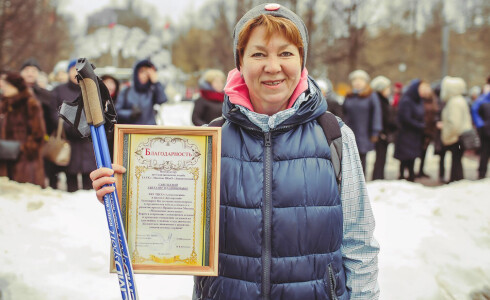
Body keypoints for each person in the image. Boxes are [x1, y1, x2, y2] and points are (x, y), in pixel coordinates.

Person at [91, 3, 379, 299]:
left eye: (286, 53)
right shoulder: (207, 142)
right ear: (239, 62)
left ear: (302, 60)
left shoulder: (334, 135)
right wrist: (124, 195)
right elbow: (167, 223)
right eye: (258, 53)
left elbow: (359, 244)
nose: (272, 66)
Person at [52, 59, 96, 192]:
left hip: (87, 140)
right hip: (69, 139)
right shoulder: (58, 90)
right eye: (73, 70)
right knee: (70, 176)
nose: (76, 73)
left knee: (89, 177)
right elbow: (53, 112)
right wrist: (67, 127)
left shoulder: (91, 89)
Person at [0, 72, 46, 187]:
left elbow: (38, 135)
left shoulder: (30, 103)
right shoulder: (4, 104)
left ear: (15, 86)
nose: (3, 87)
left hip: (26, 165)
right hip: (5, 162)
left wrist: (22, 150)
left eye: (6, 84)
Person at [19, 58, 57, 188]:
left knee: (39, 176)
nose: (30, 73)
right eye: (27, 70)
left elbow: (52, 118)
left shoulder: (46, 95)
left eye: (34, 70)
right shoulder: (14, 93)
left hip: (40, 140)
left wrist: (47, 135)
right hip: (17, 141)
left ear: (39, 74)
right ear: (21, 73)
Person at [343, 69, 382, 176]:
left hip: (364, 132)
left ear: (366, 82)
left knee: (361, 158)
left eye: (360, 79)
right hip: (349, 131)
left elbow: (376, 114)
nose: (357, 82)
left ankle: (361, 181)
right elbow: (344, 113)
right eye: (355, 79)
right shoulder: (349, 96)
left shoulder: (371, 95)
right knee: (349, 158)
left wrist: (375, 131)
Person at [394, 79, 431, 182]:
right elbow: (405, 118)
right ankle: (402, 177)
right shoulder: (407, 100)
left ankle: (411, 176)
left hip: (415, 134)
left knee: (412, 158)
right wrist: (420, 125)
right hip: (406, 134)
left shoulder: (419, 100)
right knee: (405, 157)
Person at [439, 76, 472, 182]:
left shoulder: (455, 102)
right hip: (459, 135)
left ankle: (456, 180)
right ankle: (457, 179)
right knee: (457, 160)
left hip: (456, 136)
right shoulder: (459, 100)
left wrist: (447, 134)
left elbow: (454, 123)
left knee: (456, 161)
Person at [115, 59, 168, 125]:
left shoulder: (152, 90)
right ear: (136, 73)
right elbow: (117, 112)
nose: (144, 75)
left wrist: (156, 82)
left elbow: (162, 100)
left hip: (148, 131)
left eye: (147, 72)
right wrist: (130, 113)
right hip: (130, 131)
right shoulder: (126, 91)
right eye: (142, 71)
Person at [370, 76, 397, 180]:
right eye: (387, 88)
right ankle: (377, 177)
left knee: (382, 157)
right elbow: (380, 117)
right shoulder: (378, 101)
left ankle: (380, 176)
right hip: (381, 133)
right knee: (380, 157)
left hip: (385, 132)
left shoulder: (384, 100)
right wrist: (380, 132)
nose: (389, 90)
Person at [471, 76, 490, 179]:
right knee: (485, 152)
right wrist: (481, 124)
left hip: (485, 128)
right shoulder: (484, 98)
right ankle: (481, 174)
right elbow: (475, 109)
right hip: (486, 130)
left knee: (484, 152)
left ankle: (482, 174)